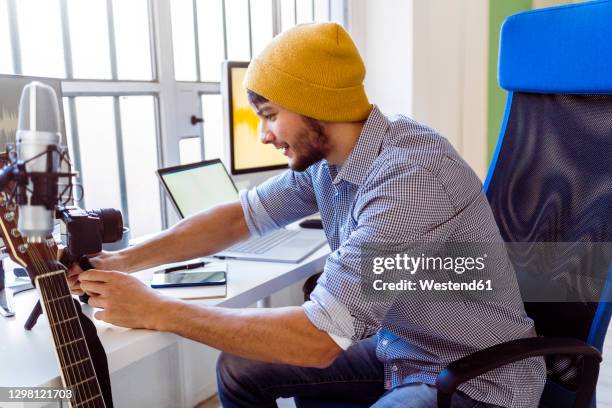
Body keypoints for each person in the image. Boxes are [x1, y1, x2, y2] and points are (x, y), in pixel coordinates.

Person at [69, 22, 545, 407]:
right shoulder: (330, 161)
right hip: (403, 351)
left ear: (318, 106)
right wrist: (123, 262)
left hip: (479, 379)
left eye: (270, 114)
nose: (264, 135)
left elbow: (316, 341)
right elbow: (239, 217)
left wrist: (159, 311)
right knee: (240, 371)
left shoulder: (410, 176)